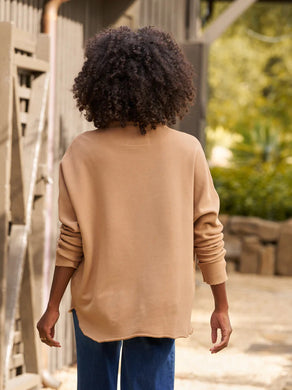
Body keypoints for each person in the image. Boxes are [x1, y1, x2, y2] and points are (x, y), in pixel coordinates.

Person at [37, 25, 232, 390]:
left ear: (98, 85)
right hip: (160, 302)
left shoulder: (83, 151)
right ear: (168, 84)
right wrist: (220, 305)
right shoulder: (187, 150)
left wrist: (52, 305)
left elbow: (71, 238)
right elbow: (207, 232)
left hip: (98, 302)